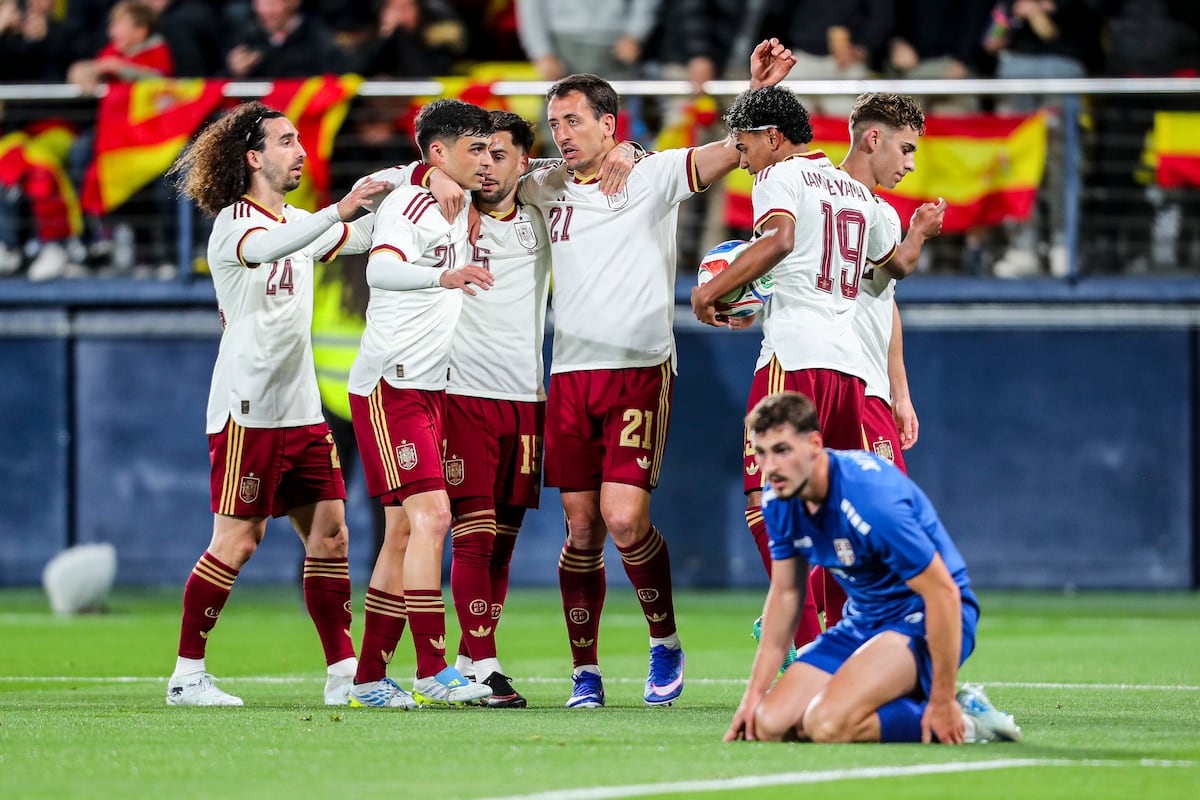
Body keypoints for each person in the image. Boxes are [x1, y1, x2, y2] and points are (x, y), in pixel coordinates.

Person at [515, 39, 795, 708]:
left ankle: (664, 641)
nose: (563, 134)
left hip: (639, 370)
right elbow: (482, 178)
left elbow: (731, 151)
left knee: (623, 518)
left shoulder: (651, 174)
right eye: (556, 124)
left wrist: (752, 92)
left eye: (574, 121)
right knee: (581, 527)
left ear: (611, 124)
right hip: (570, 374)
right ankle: (584, 669)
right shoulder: (545, 185)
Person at [162, 100, 391, 706]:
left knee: (332, 535)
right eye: (287, 141)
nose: (301, 151)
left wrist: (408, 191)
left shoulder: (296, 222)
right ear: (253, 156)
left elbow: (360, 236)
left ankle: (344, 675)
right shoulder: (236, 224)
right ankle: (187, 675)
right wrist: (337, 210)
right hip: (248, 408)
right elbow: (272, 247)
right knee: (238, 541)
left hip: (302, 411)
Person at [692, 82, 898, 640]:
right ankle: (850, 634)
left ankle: (807, 643)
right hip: (851, 370)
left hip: (794, 357)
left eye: (745, 142)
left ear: (773, 137)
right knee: (834, 507)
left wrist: (710, 293)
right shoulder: (857, 192)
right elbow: (894, 264)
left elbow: (780, 240)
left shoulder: (778, 176)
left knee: (767, 498)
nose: (742, 154)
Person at [726, 390, 1022, 744]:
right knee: (770, 724)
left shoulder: (870, 497)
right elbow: (787, 593)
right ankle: (892, 694)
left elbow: (943, 593)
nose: (771, 467)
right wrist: (752, 698)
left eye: (782, 450)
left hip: (925, 617)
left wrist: (941, 700)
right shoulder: (780, 500)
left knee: (827, 724)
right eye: (762, 453)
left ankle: (965, 717)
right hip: (864, 622)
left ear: (815, 444)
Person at [345, 98, 496, 709]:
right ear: (438, 153)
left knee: (405, 531)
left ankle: (368, 681)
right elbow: (380, 272)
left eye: (488, 149)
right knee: (433, 518)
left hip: (430, 387)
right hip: (392, 385)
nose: (485, 160)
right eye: (474, 149)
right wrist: (444, 277)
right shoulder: (410, 202)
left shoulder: (452, 199)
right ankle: (434, 670)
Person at [444, 111, 550, 708]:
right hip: (464, 395)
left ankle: (468, 657)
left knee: (503, 541)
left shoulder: (542, 212)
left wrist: (628, 150)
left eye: (500, 154)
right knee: (474, 536)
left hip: (526, 400)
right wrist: (422, 172)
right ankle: (484, 664)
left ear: (524, 164)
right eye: (478, 152)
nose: (486, 164)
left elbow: (598, 168)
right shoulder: (445, 211)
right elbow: (393, 184)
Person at [838, 92, 946, 474]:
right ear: (873, 139)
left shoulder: (882, 214)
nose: (911, 164)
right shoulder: (818, 193)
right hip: (844, 383)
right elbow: (900, 266)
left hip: (866, 386)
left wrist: (899, 394)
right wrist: (918, 233)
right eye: (905, 149)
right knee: (885, 514)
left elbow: (885, 301)